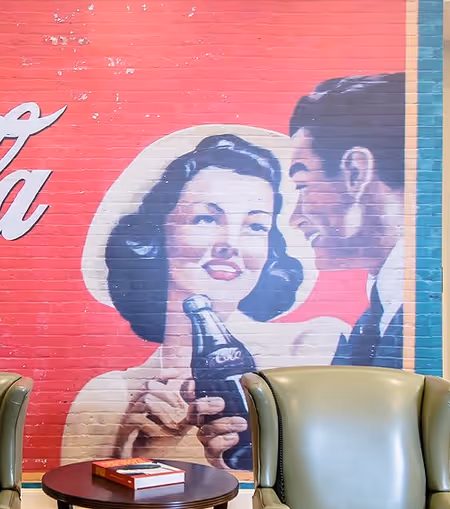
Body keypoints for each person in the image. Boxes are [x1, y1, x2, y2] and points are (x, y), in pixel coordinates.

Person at [64, 131, 344, 468]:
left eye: (255, 226)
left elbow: (338, 478)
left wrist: (234, 466)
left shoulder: (312, 347)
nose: (231, 244)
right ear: (158, 233)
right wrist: (139, 456)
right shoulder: (112, 396)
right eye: (206, 219)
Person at [287, 73, 406, 369]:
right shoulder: (378, 313)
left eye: (302, 186)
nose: (294, 219)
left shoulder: (413, 307)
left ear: (355, 172)